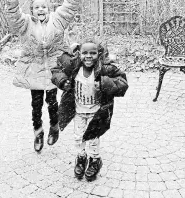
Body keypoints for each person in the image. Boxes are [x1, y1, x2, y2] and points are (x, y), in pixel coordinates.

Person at [0, 0, 91, 153]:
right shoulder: (25, 24)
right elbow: (14, 17)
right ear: (32, 11)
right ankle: (38, 133)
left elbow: (68, 9)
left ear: (49, 9)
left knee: (53, 102)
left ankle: (54, 126)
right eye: (36, 7)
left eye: (44, 7)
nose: (40, 10)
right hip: (34, 71)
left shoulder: (57, 21)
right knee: (36, 104)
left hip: (54, 71)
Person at [51, 39, 128, 181]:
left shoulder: (105, 68)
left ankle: (95, 159)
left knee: (93, 137)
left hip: (97, 111)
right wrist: (62, 81)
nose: (88, 56)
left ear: (99, 54)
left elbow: (123, 82)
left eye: (92, 53)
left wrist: (105, 83)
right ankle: (81, 157)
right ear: (79, 53)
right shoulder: (73, 66)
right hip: (78, 111)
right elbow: (56, 71)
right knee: (78, 136)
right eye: (85, 53)